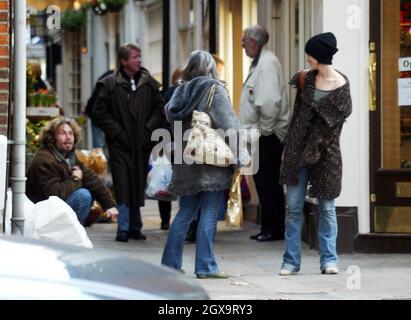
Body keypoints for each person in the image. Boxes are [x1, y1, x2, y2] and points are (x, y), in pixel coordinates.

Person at [161, 50, 243, 279]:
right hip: (211, 162)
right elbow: (230, 126)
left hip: (186, 160)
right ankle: (206, 266)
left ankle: (170, 264)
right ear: (211, 68)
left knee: (185, 212)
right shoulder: (215, 90)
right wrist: (241, 156)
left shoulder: (179, 92)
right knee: (208, 211)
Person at [279, 32, 352, 276]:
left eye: (310, 54)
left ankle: (329, 260)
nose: (307, 59)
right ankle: (290, 262)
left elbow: (333, 128)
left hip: (326, 155)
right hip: (297, 152)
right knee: (292, 208)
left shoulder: (342, 87)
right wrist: (288, 149)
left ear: (319, 56)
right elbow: (297, 117)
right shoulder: (304, 80)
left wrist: (312, 150)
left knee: (327, 208)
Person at [90, 43, 165, 242]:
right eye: (134, 57)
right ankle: (123, 227)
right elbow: (98, 112)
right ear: (123, 61)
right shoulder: (109, 84)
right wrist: (116, 132)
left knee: (137, 183)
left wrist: (148, 129)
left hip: (141, 143)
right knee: (123, 184)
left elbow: (160, 109)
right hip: (119, 145)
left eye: (139, 57)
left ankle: (135, 226)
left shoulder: (149, 83)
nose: (139, 61)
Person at [239, 25, 290, 242]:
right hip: (262, 133)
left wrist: (265, 131)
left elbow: (269, 102)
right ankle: (270, 226)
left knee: (268, 182)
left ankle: (274, 228)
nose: (242, 44)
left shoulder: (266, 64)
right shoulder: (260, 63)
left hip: (267, 135)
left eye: (244, 39)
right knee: (264, 182)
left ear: (254, 42)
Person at [26, 117, 119, 225]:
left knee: (90, 190)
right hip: (41, 214)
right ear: (51, 138)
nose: (68, 137)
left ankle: (70, 234)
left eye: (71, 133)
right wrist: (75, 179)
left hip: (54, 209)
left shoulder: (69, 157)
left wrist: (110, 206)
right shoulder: (45, 160)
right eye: (63, 133)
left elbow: (92, 180)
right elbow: (53, 196)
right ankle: (66, 236)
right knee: (83, 196)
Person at [85, 70, 114, 150]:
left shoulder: (105, 80)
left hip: (97, 116)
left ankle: (100, 161)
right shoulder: (112, 79)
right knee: (101, 146)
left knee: (99, 147)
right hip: (99, 117)